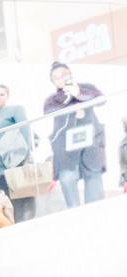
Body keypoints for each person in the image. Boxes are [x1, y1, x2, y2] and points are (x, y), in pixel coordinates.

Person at [42, 61, 107, 209]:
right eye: (56, 78)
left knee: (94, 186)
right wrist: (70, 104)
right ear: (53, 81)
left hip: (91, 148)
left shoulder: (86, 89)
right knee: (67, 181)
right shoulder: (52, 100)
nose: (60, 79)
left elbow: (102, 100)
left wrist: (78, 93)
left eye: (63, 75)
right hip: (66, 152)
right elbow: (48, 111)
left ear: (70, 73)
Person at [0, 84, 36, 222]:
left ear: (7, 96)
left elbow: (25, 129)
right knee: (10, 205)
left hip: (15, 163)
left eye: (2, 94)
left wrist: (25, 156)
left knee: (23, 200)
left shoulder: (15, 109)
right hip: (0, 170)